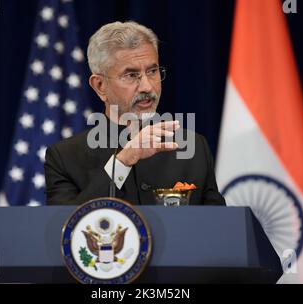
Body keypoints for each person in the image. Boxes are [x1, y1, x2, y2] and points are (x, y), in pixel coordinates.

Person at [44, 21, 225, 206]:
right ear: (100, 86)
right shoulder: (64, 158)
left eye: (152, 71)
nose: (147, 86)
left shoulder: (194, 148)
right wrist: (122, 162)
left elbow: (219, 228)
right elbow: (68, 228)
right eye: (131, 75)